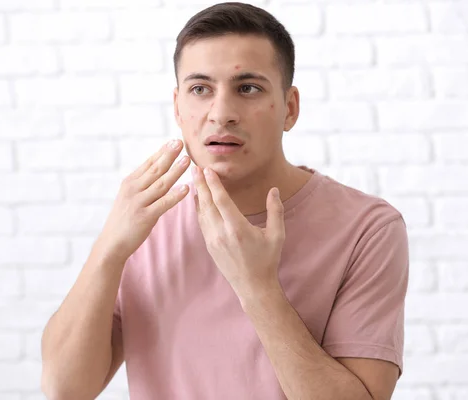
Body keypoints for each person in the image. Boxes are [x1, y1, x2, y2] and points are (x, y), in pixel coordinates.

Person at [40, 2, 409, 399]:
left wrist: (258, 287)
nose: (221, 113)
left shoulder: (367, 228)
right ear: (179, 107)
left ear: (290, 108)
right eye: (201, 89)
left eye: (248, 88)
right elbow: (65, 389)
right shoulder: (143, 220)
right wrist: (109, 249)